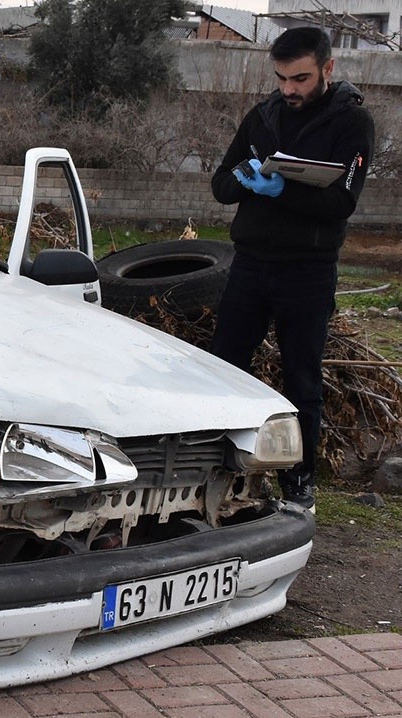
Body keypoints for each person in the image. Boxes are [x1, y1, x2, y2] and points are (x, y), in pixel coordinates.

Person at [210, 26, 374, 510]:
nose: (289, 90)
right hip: (250, 264)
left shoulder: (352, 122)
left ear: (327, 69)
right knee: (223, 367)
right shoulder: (262, 116)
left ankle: (299, 481)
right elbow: (221, 183)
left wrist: (287, 190)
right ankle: (216, 466)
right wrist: (247, 180)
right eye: (281, 78)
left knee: (302, 376)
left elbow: (342, 201)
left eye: (300, 78)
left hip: (308, 269)